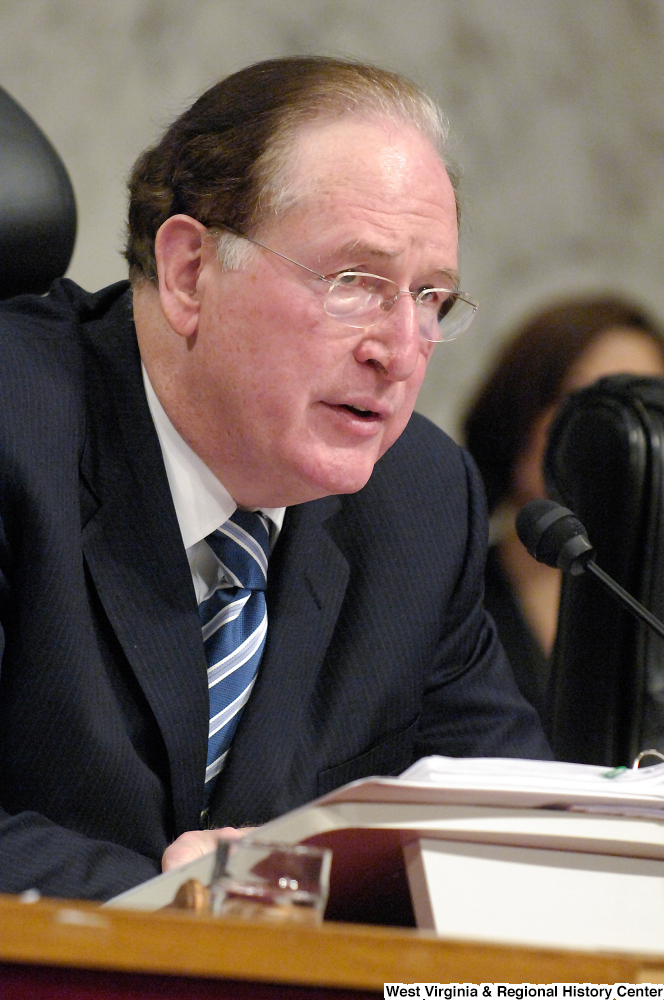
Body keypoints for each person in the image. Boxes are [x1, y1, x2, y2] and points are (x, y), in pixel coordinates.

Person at [0, 56, 550, 903]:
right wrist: (180, 903)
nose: (400, 350)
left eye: (430, 297)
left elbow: (511, 843)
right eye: (355, 283)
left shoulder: (420, 500)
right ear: (189, 272)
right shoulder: (15, 428)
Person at [463, 295, 664, 720]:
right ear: (519, 412)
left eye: (643, 411)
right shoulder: (449, 596)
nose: (616, 437)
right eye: (587, 404)